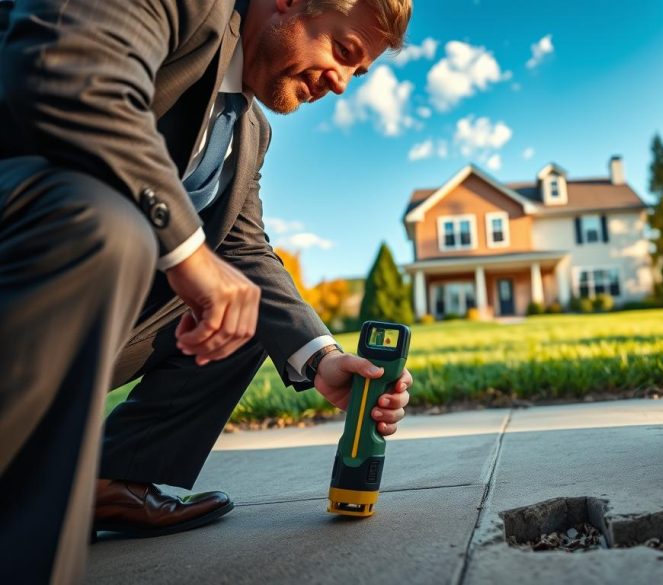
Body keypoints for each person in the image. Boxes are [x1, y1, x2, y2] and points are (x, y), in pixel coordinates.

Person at [0, 0, 414, 581]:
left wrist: (322, 360)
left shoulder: (247, 130)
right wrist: (189, 253)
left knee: (241, 302)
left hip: (87, 301)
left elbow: (244, 250)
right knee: (107, 224)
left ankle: (107, 482)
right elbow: (72, 72)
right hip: (31, 253)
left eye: (359, 72)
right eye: (343, 51)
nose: (342, 84)